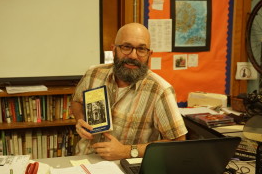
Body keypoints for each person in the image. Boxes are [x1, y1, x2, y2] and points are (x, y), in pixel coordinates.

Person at [71, 23, 188, 161]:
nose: (133, 55)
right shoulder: (93, 74)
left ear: (149, 54)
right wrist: (80, 119)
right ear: (114, 49)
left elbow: (178, 143)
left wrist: (126, 151)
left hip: (125, 167)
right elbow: (77, 101)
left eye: (141, 49)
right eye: (126, 47)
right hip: (82, 161)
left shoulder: (160, 91)